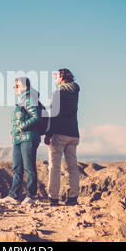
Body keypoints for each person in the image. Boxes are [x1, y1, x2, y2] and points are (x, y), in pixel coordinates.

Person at [0, 77, 41, 206]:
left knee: (29, 167)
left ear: (24, 87)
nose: (14, 89)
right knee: (17, 168)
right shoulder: (22, 100)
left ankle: (30, 196)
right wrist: (13, 133)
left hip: (28, 138)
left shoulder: (29, 99)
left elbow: (36, 117)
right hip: (18, 139)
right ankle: (14, 195)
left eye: (16, 86)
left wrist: (21, 127)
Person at [44, 68, 80, 206]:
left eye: (56, 77)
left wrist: (48, 134)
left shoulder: (59, 92)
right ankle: (73, 197)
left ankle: (53, 197)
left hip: (59, 133)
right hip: (74, 133)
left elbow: (54, 114)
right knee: (72, 166)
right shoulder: (75, 91)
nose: (54, 80)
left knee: (54, 166)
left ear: (61, 78)